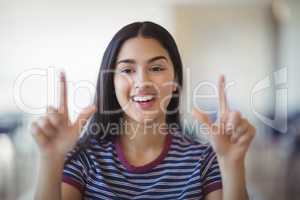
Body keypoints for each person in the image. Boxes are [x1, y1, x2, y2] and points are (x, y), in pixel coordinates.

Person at [31, 21, 256, 200]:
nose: (143, 81)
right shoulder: (85, 158)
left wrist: (232, 163)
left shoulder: (204, 160)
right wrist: (51, 159)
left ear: (175, 77)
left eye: (156, 68)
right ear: (112, 81)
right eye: (128, 70)